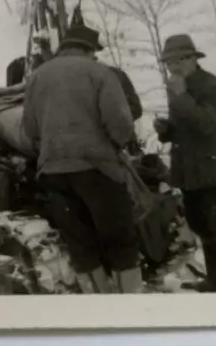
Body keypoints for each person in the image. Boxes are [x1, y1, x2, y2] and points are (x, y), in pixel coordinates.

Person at [22, 22, 143, 294]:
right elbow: (121, 123)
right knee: (120, 240)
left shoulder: (37, 77)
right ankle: (132, 307)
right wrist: (113, 146)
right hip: (97, 169)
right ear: (89, 50)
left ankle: (101, 300)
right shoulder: (100, 73)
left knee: (81, 243)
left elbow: (29, 130)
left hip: (54, 174)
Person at [153, 34, 216, 292]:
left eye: (180, 59)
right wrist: (166, 130)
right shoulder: (177, 88)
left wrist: (181, 96)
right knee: (200, 224)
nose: (174, 66)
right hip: (188, 170)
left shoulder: (214, 85)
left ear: (194, 58)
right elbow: (184, 129)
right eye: (169, 61)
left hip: (213, 168)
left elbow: (206, 124)